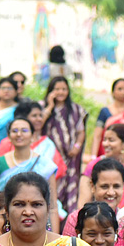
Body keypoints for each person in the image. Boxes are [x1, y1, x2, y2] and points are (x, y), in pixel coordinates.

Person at [0, 117, 64, 226]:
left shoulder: (45, 165)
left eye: (24, 130)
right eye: (14, 131)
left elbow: (53, 206)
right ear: (9, 136)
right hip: (6, 223)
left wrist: (55, 239)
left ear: (32, 136)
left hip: (36, 222)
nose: (19, 134)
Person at [78, 124, 124, 215]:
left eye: (111, 140)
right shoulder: (93, 165)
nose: (105, 144)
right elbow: (83, 202)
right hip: (96, 220)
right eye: (104, 139)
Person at [65, 158, 124, 246]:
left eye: (116, 186)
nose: (111, 192)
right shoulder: (75, 219)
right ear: (92, 186)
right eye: (104, 186)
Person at [43, 76, 87, 214]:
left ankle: (68, 225)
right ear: (51, 91)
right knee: (51, 190)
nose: (60, 92)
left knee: (70, 190)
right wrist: (50, 106)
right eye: (57, 89)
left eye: (63, 89)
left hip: (70, 159)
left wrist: (77, 147)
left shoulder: (76, 110)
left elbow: (81, 132)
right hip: (49, 157)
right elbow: (37, 124)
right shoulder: (41, 107)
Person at [92, 78, 124, 153]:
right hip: (107, 151)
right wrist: (93, 156)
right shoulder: (105, 111)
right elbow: (97, 135)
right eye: (120, 89)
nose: (123, 92)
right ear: (113, 92)